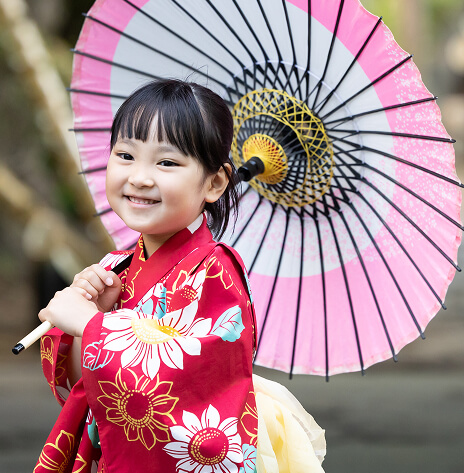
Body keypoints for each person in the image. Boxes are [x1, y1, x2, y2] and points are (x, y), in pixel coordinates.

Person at [34, 79, 324, 473]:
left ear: (216, 182)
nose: (139, 177)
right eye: (125, 155)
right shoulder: (119, 266)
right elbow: (86, 382)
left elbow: (191, 386)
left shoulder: (215, 272)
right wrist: (89, 320)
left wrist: (93, 325)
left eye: (166, 162)